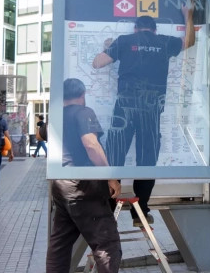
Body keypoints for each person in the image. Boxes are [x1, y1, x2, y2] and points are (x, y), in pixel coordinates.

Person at [92, 0, 195, 226]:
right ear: (154, 29)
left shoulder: (125, 40)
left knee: (115, 155)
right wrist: (188, 15)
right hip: (151, 108)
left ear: (136, 28)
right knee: (147, 158)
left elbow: (97, 63)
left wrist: (107, 47)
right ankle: (141, 213)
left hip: (125, 108)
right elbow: (189, 41)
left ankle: (109, 210)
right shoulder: (164, 42)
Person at [46, 78, 122, 273]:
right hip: (83, 185)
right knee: (106, 244)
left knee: (60, 244)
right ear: (82, 95)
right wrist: (110, 176)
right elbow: (91, 145)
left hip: (61, 185)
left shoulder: (55, 116)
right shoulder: (83, 112)